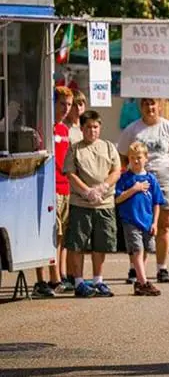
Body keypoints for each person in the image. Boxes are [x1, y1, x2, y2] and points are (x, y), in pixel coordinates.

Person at [117, 97, 169, 284]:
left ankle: (162, 268)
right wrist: (134, 173)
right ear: (141, 107)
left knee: (164, 225)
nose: (150, 107)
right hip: (139, 181)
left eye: (153, 103)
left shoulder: (168, 127)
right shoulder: (132, 129)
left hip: (164, 181)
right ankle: (135, 270)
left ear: (160, 106)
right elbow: (122, 154)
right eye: (146, 104)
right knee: (138, 224)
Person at [63, 110, 122, 298]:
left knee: (101, 244)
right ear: (82, 128)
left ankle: (98, 280)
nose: (92, 131)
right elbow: (71, 174)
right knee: (77, 243)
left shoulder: (109, 147)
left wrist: (103, 187)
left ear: (100, 128)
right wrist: (87, 191)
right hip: (81, 202)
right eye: (88, 127)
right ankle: (79, 282)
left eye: (95, 127)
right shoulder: (75, 148)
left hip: (104, 203)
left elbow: (116, 171)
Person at [33, 86, 75, 298]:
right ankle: (45, 279)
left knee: (61, 237)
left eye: (69, 105)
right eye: (62, 104)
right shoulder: (44, 128)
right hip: (49, 188)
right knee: (49, 233)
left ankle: (57, 276)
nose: (66, 109)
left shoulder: (65, 130)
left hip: (64, 187)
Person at [114, 141, 164, 296]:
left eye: (139, 157)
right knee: (137, 250)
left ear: (146, 158)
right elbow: (118, 198)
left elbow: (157, 202)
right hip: (130, 221)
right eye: (132, 158)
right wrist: (134, 189)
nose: (136, 161)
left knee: (145, 250)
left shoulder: (151, 179)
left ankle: (139, 283)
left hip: (147, 221)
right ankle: (143, 282)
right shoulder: (125, 178)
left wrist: (155, 222)